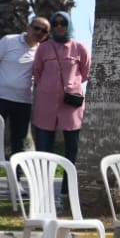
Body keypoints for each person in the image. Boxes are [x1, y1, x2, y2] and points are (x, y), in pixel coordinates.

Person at [29, 10, 89, 162]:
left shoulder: (79, 48)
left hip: (71, 102)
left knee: (72, 148)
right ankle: (43, 184)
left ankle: (68, 186)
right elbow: (37, 71)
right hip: (46, 102)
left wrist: (71, 84)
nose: (59, 27)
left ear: (69, 25)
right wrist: (48, 86)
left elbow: (86, 72)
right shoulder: (44, 48)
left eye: (63, 23)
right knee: (44, 148)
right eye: (55, 23)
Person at [0, 17, 44, 168]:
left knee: (19, 141)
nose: (39, 32)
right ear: (28, 26)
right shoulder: (8, 41)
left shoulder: (41, 50)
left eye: (44, 31)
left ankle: (16, 179)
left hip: (23, 101)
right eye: (36, 28)